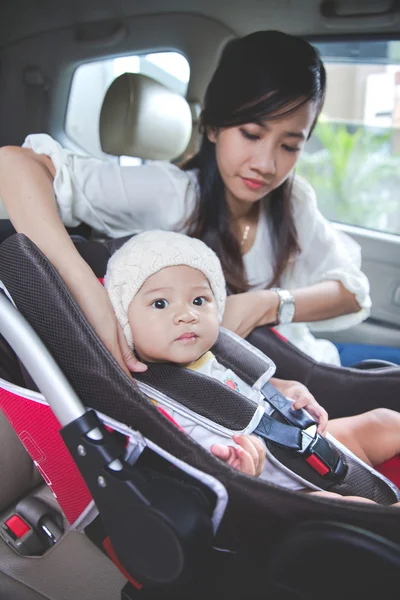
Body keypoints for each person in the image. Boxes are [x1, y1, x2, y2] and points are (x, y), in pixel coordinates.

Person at [0, 30, 399, 370]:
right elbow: (14, 163)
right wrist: (88, 293)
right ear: (212, 127)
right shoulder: (172, 193)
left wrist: (268, 304)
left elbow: (353, 291)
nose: (266, 164)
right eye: (251, 134)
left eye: (289, 145)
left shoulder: (292, 202)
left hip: (312, 363)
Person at [104, 229, 400, 506]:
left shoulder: (216, 353)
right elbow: (184, 472)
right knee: (356, 508)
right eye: (160, 304)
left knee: (385, 421)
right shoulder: (150, 396)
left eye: (198, 300)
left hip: (294, 442)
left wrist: (290, 391)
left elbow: (259, 389)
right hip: (273, 486)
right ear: (124, 321)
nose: (186, 314)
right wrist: (237, 471)